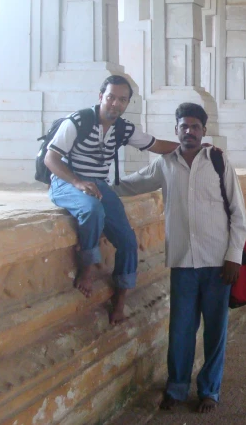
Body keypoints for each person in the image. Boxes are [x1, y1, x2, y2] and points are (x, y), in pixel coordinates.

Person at [112, 102, 246, 414]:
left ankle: (209, 389)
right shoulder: (165, 164)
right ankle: (176, 388)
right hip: (183, 262)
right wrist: (92, 186)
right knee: (181, 329)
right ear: (176, 130)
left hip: (218, 262)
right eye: (184, 127)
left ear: (203, 130)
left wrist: (234, 256)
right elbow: (130, 184)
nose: (189, 132)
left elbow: (238, 213)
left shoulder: (217, 160)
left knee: (216, 330)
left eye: (195, 127)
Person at [45, 75, 180, 324]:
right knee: (92, 209)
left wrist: (196, 148)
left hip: (97, 184)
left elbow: (157, 145)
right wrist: (76, 182)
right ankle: (87, 268)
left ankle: (120, 301)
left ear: (127, 103)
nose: (115, 104)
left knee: (128, 240)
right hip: (65, 182)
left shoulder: (123, 129)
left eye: (122, 99)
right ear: (101, 97)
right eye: (110, 97)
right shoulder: (78, 121)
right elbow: (50, 159)